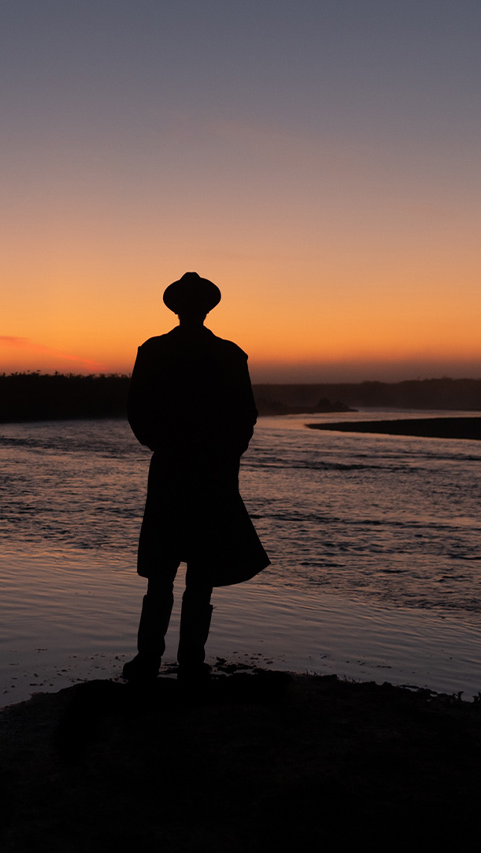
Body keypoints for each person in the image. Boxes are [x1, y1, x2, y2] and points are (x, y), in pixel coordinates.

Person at [121, 272, 270, 682]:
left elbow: (138, 410)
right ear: (205, 308)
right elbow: (245, 417)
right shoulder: (227, 353)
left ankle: (153, 657)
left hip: (180, 468)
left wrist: (162, 444)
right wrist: (224, 455)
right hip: (207, 471)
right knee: (194, 572)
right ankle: (187, 660)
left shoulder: (155, 350)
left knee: (163, 571)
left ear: (177, 307)